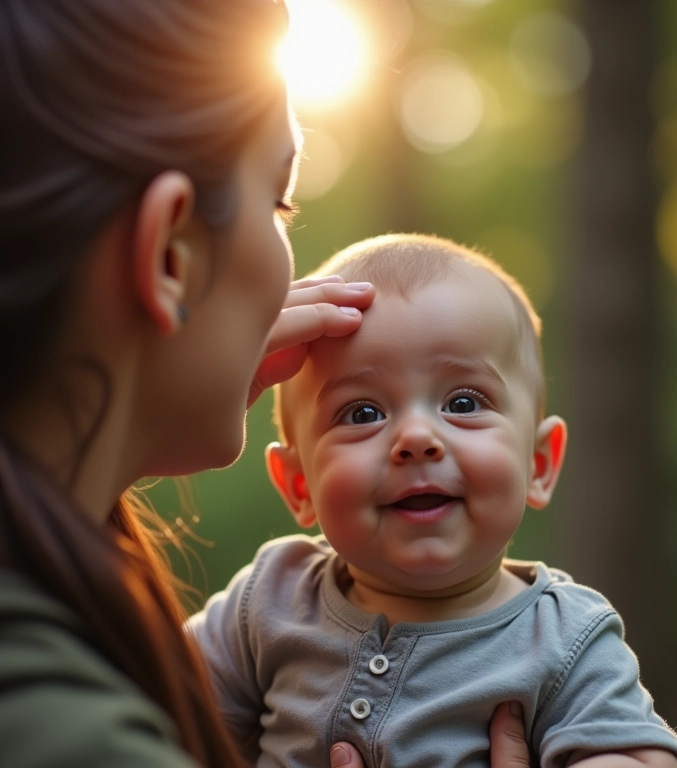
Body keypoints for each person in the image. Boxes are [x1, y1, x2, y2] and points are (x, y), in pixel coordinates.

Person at [0, 1, 533, 766]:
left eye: (461, 404)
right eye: (279, 199)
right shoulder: (71, 731)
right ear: (171, 255)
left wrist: (134, 415)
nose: (417, 437)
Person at [189, 234, 677, 768]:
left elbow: (636, 757)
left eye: (464, 402)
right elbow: (146, 698)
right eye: (362, 413)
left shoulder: (564, 637)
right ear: (298, 485)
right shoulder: (271, 598)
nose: (417, 437)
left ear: (538, 465)